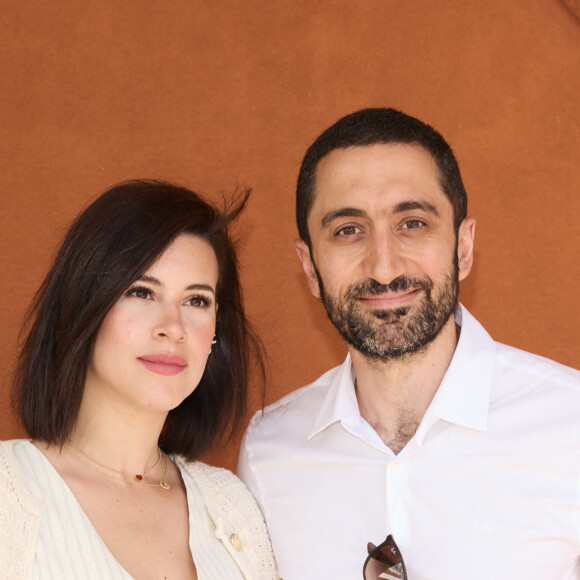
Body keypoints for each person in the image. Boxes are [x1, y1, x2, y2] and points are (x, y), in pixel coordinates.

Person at [238, 108, 580, 579]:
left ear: (463, 247)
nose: (383, 266)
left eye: (413, 223)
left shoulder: (570, 425)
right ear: (310, 267)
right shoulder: (267, 453)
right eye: (348, 230)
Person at [1, 180, 279, 580]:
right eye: (142, 292)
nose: (173, 327)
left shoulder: (232, 504)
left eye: (197, 300)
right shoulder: (7, 492)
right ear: (85, 307)